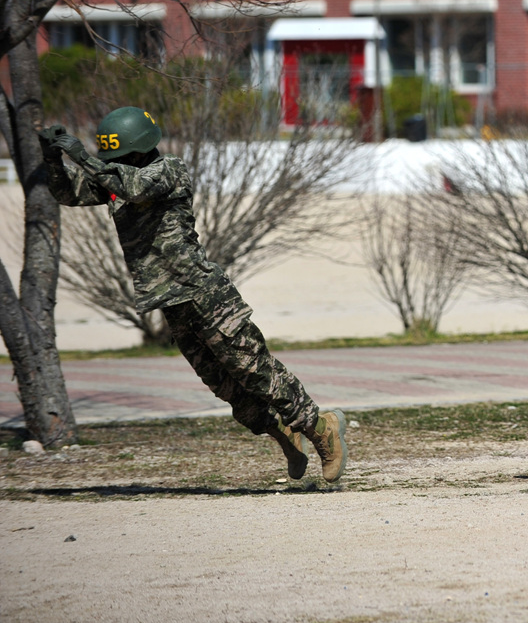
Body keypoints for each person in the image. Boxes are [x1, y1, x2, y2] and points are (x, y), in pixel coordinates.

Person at [39, 108, 348, 482]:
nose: (113, 164)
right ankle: (284, 437)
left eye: (118, 157)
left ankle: (321, 429)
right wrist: (52, 155)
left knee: (255, 370)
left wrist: (83, 156)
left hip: (205, 293)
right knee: (223, 383)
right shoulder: (115, 178)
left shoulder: (168, 171)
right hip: (170, 300)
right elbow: (68, 193)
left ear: (137, 150)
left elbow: (134, 187)